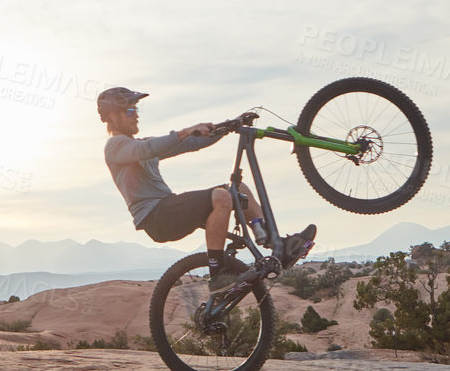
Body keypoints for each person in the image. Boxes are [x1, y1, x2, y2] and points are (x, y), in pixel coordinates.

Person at [99, 86, 316, 288]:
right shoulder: (115, 147)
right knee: (221, 197)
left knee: (238, 189)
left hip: (169, 208)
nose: (136, 114)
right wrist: (185, 131)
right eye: (129, 110)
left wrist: (228, 126)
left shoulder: (139, 144)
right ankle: (217, 275)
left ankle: (275, 244)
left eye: (135, 109)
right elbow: (147, 148)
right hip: (155, 216)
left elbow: (189, 144)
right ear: (112, 117)